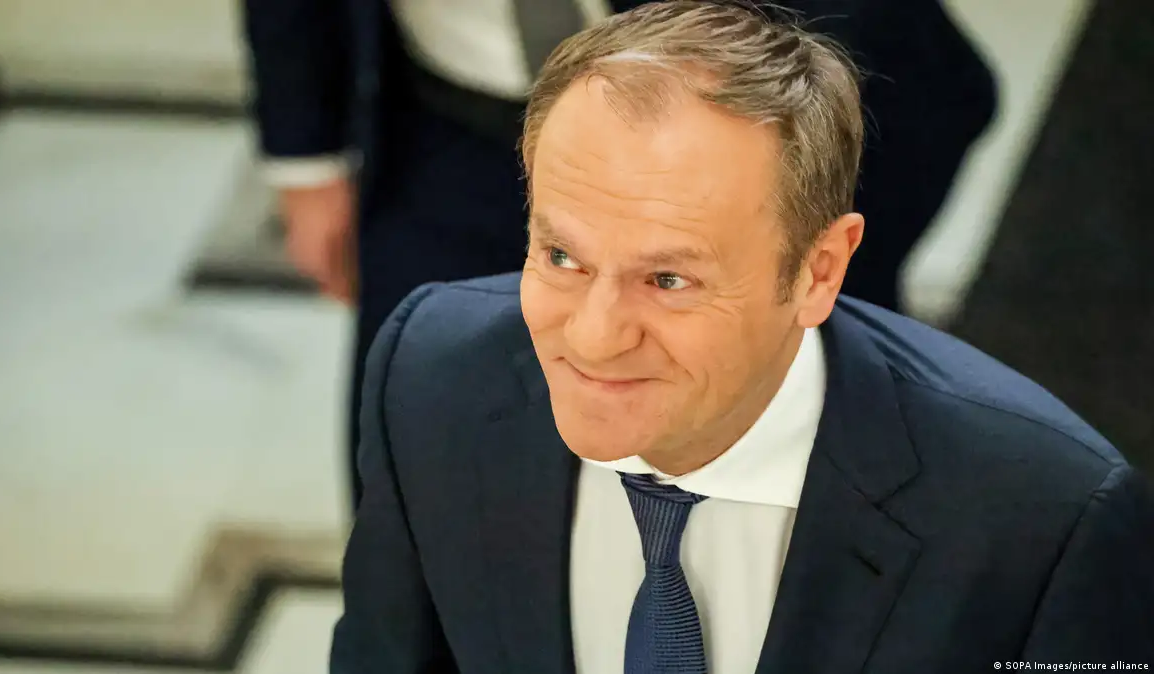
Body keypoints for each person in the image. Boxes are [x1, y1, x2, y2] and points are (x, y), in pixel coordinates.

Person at [329, 4, 1153, 672]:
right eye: (562, 257)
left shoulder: (1045, 523)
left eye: (668, 280)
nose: (593, 338)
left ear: (819, 271)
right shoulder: (428, 379)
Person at [240, 0, 997, 508]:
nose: (597, 335)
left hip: (746, 130)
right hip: (446, 132)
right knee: (420, 466)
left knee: (792, 464)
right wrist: (305, 157)